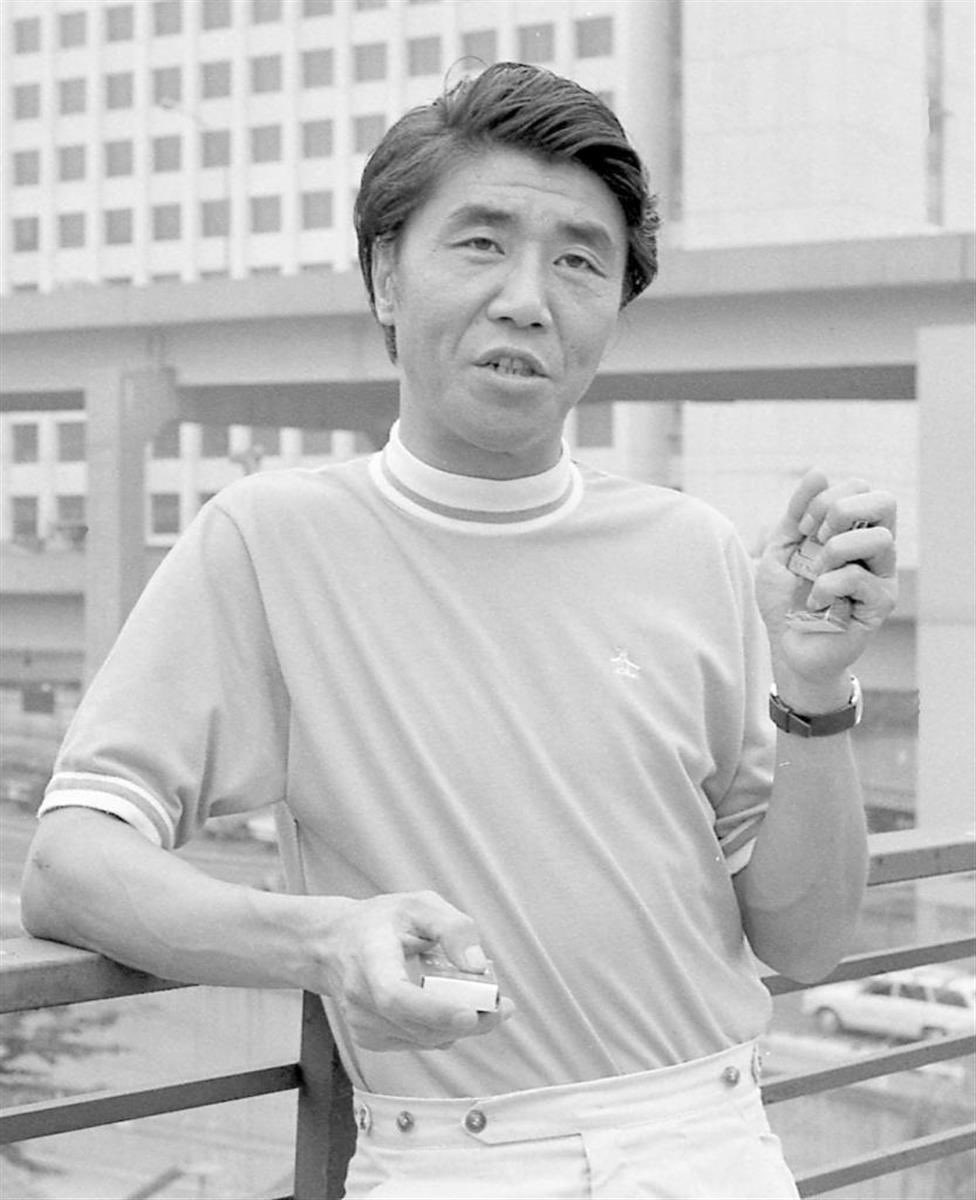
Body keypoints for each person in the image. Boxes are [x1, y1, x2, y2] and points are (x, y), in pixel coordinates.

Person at [22, 63, 898, 1199]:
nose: (527, 298)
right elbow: (71, 865)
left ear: (615, 307)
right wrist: (326, 941)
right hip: (455, 1158)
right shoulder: (269, 541)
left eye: (579, 260)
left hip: (716, 1142)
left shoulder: (694, 548)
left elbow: (805, 943)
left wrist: (815, 692)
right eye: (480, 243)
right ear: (387, 275)